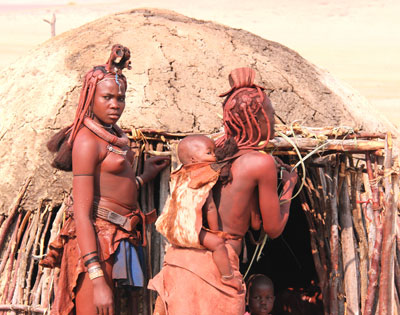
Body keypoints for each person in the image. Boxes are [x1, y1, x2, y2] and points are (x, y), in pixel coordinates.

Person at [149, 67, 298, 315]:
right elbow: (273, 229)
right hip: (217, 272)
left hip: (179, 263)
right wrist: (289, 186)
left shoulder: (212, 150)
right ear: (255, 118)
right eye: (270, 115)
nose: (273, 122)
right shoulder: (259, 162)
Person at [40, 45, 169, 315]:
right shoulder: (87, 142)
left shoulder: (112, 135)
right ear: (91, 99)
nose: (115, 105)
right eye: (107, 97)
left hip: (121, 236)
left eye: (120, 98)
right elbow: (84, 214)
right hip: (96, 241)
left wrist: (144, 177)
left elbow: (114, 190)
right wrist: (97, 278)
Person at [156, 135, 241, 290]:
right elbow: (210, 208)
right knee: (218, 245)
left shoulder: (180, 174)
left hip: (171, 230)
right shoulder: (202, 178)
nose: (214, 156)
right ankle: (227, 277)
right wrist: (216, 233)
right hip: (189, 231)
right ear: (194, 159)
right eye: (209, 153)